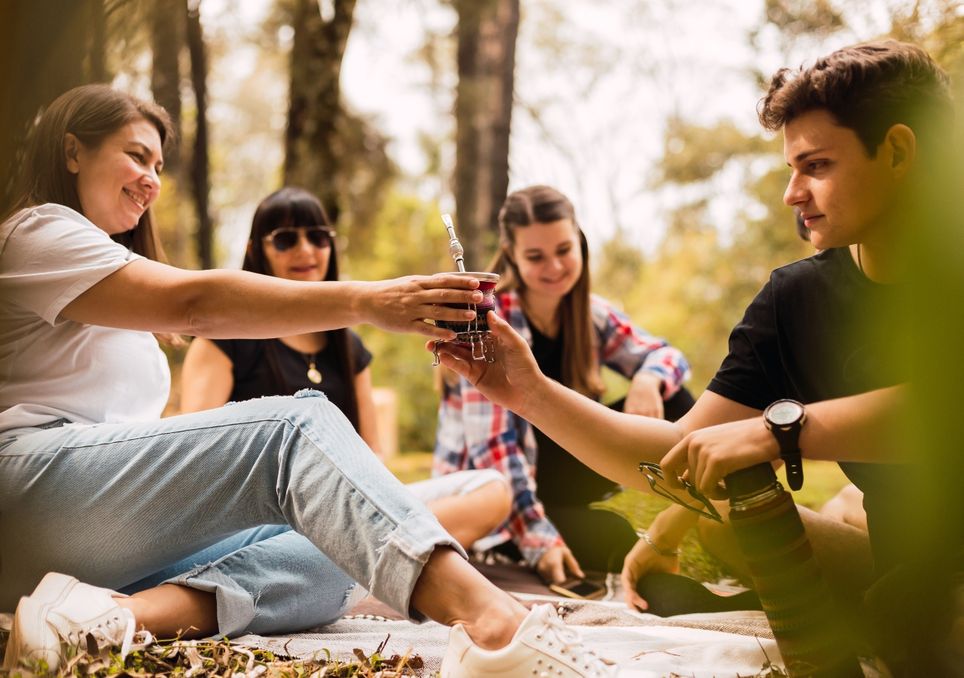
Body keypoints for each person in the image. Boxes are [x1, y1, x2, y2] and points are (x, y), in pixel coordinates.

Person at [0, 84, 612, 678]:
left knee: (338, 543)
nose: (152, 180)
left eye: (159, 164)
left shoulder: (106, 280)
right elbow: (193, 303)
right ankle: (496, 629)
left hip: (89, 527)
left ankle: (106, 618)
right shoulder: (35, 233)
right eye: (136, 155)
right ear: (73, 150)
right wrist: (369, 300)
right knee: (296, 425)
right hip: (26, 490)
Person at [432, 41, 957, 671]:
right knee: (728, 521)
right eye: (791, 167)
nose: (793, 193)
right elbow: (676, 453)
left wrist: (777, 433)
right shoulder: (794, 298)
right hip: (904, 562)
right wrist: (529, 391)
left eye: (816, 165)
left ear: (898, 151)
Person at [180, 186, 511, 550]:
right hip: (264, 522)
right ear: (255, 251)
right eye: (286, 239)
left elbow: (372, 453)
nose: (305, 249)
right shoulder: (223, 339)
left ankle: (361, 556)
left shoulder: (349, 346)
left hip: (348, 509)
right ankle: (374, 557)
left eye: (318, 237)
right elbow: (198, 459)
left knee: (491, 492)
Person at [435, 185, 693, 582]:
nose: (554, 267)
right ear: (513, 257)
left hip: (563, 468)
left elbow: (668, 356)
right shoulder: (487, 323)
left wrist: (647, 378)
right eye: (536, 256)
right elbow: (494, 450)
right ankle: (528, 539)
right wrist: (541, 541)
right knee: (615, 541)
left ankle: (706, 518)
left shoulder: (590, 314)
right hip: (505, 494)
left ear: (580, 243)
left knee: (678, 402)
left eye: (563, 250)